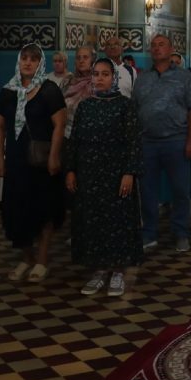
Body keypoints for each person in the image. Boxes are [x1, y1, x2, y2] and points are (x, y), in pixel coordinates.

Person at [65, 58, 141, 298]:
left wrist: (129, 172)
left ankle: (118, 271)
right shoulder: (85, 106)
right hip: (89, 174)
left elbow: (133, 142)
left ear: (114, 77)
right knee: (93, 222)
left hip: (116, 174)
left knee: (117, 221)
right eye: (96, 74)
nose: (99, 78)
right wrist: (71, 170)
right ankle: (98, 270)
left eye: (105, 74)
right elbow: (75, 140)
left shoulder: (125, 106)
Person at [0, 44, 67, 283]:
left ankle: (42, 260)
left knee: (43, 208)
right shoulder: (8, 91)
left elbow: (59, 124)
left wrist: (54, 156)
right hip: (16, 160)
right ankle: (27, 257)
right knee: (17, 209)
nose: (27, 62)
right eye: (24, 58)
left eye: (33, 59)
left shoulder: (49, 90)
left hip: (40, 160)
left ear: (40, 63)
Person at [132, 34, 191, 252]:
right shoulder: (142, 78)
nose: (156, 48)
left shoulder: (184, 77)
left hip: (176, 140)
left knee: (180, 190)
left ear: (171, 50)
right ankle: (149, 233)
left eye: (161, 45)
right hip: (147, 142)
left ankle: (181, 233)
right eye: (153, 45)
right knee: (147, 190)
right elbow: (134, 110)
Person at [63, 45, 95, 139]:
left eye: (85, 57)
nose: (81, 61)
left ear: (92, 60)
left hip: (89, 135)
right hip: (66, 133)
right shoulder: (67, 80)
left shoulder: (97, 83)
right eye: (78, 58)